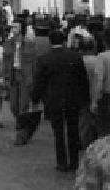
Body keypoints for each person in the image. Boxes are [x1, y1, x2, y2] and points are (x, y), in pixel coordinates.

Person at [32, 29, 90, 173]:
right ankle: (74, 161)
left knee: (58, 131)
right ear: (64, 41)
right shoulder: (75, 57)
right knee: (73, 129)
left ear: (50, 41)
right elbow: (83, 80)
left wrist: (35, 98)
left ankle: (62, 162)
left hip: (54, 99)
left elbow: (39, 81)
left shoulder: (44, 59)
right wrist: (85, 98)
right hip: (72, 98)